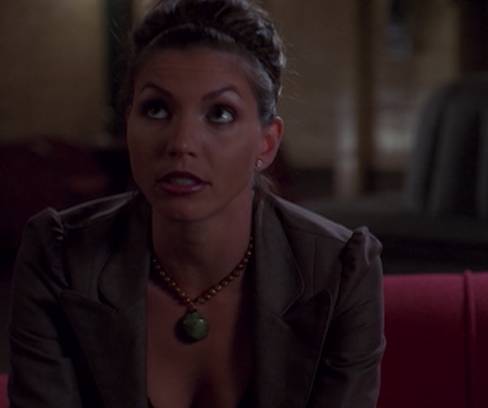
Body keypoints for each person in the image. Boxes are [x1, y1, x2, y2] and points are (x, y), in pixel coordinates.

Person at [8, 0, 385, 407]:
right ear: (128, 123)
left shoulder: (338, 269)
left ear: (266, 143)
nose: (181, 143)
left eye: (220, 114)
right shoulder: (59, 255)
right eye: (156, 109)